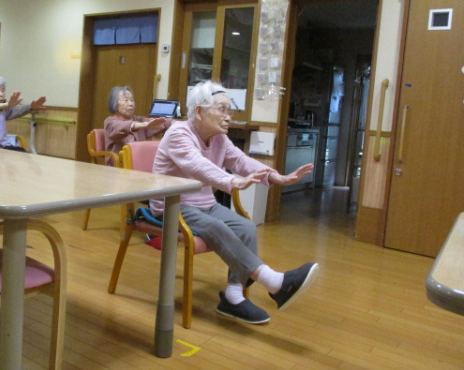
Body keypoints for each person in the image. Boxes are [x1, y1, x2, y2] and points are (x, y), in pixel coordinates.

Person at [149, 80, 319, 325]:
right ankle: (275, 283)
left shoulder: (219, 138)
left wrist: (276, 177)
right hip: (172, 205)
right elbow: (198, 165)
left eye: (230, 110)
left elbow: (241, 161)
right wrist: (232, 181)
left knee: (246, 228)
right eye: (222, 109)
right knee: (216, 227)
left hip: (204, 204)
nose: (228, 117)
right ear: (199, 111)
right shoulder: (178, 133)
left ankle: (233, 295)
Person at [103, 85, 173, 165]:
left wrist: (172, 123)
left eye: (132, 100)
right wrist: (143, 124)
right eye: (126, 100)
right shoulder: (110, 122)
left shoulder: (139, 120)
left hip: (139, 164)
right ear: (115, 105)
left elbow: (154, 123)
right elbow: (122, 126)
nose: (131, 104)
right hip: (119, 166)